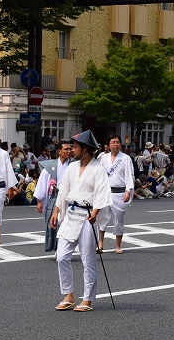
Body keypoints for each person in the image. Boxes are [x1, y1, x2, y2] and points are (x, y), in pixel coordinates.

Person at [50, 130, 111, 312]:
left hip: (87, 216)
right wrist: (56, 211)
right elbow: (63, 191)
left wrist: (95, 212)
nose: (72, 150)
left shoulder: (98, 169)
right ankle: (68, 294)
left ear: (86, 149)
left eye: (75, 147)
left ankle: (88, 299)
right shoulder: (72, 167)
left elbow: (102, 193)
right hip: (71, 213)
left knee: (87, 259)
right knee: (62, 256)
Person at [97, 133, 135, 254]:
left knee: (118, 220)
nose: (116, 144)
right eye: (113, 142)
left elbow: (130, 175)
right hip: (106, 191)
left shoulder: (126, 158)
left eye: (117, 142)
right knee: (102, 218)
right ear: (108, 145)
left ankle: (117, 245)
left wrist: (128, 190)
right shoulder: (103, 158)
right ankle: (100, 243)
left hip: (119, 192)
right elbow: (99, 175)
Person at [34, 141, 73, 253]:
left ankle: (62, 249)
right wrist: (39, 201)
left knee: (65, 225)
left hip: (68, 198)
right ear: (59, 151)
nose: (69, 151)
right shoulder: (50, 166)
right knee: (53, 224)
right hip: (55, 197)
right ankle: (56, 248)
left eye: (70, 149)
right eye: (66, 149)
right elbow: (42, 183)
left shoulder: (73, 165)